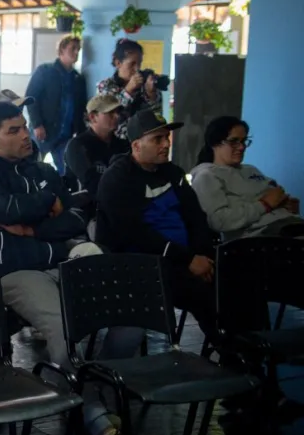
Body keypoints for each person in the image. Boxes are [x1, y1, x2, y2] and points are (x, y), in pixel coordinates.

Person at [0, 101, 140, 435]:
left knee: (130, 317)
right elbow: (7, 211)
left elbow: (75, 217)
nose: (25, 134)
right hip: (14, 272)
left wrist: (32, 225)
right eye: (14, 130)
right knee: (64, 329)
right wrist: (47, 202)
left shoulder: (40, 168)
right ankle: (90, 409)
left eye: (24, 126)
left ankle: (92, 386)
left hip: (62, 260)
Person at [96, 109, 217, 333]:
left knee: (238, 280)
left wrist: (203, 255)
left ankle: (247, 349)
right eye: (157, 139)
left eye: (166, 137)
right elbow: (133, 233)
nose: (166, 144)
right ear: (136, 146)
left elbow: (195, 217)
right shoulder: (117, 178)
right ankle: (230, 352)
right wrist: (188, 259)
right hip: (142, 266)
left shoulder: (172, 172)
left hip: (183, 258)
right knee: (205, 294)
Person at [190, 116, 304, 239]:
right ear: (215, 143)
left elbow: (273, 197)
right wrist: (265, 204)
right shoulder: (207, 176)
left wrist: (285, 205)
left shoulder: (250, 170)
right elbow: (219, 221)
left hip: (289, 224)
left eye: (244, 141)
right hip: (260, 237)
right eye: (234, 141)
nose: (241, 147)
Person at [25, 35, 86, 173]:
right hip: (43, 130)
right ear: (61, 50)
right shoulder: (45, 71)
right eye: (73, 48)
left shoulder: (78, 78)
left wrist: (80, 132)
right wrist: (37, 124)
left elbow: (81, 107)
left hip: (65, 135)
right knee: (32, 166)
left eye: (78, 49)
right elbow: (31, 97)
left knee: (65, 170)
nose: (76, 52)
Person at [64, 94, 130, 220]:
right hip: (87, 212)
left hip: (119, 206)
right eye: (110, 113)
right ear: (93, 117)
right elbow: (92, 185)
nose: (117, 116)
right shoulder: (78, 146)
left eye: (117, 112)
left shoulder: (123, 145)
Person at [97, 39, 162, 141]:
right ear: (118, 63)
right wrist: (128, 90)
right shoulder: (105, 85)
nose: (137, 69)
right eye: (132, 64)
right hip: (115, 144)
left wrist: (151, 94)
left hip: (142, 143)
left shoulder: (144, 85)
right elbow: (110, 112)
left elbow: (157, 115)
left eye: (139, 63)